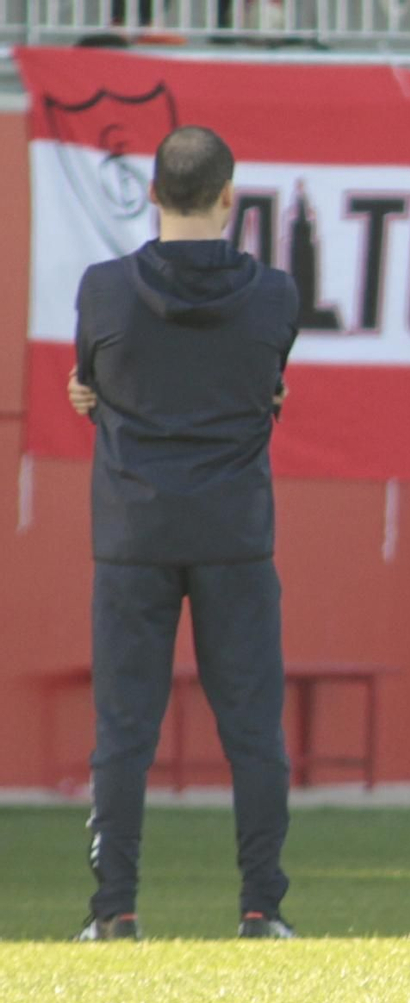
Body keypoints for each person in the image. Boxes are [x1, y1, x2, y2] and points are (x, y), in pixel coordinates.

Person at [67, 126, 300, 940]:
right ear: (230, 196)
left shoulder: (103, 288)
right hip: (235, 530)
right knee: (253, 729)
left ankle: (114, 910)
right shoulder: (274, 294)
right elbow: (270, 389)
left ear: (154, 194)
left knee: (124, 731)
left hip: (134, 532)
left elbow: (90, 385)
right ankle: (262, 907)